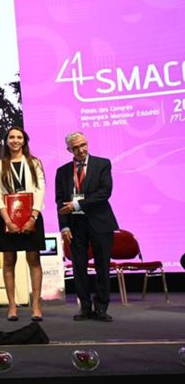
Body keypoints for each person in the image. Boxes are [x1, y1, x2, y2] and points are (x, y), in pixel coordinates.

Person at [55, 131, 118, 322]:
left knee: (102, 266)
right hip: (75, 226)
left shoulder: (102, 164)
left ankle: (101, 308)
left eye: (83, 145)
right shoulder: (62, 171)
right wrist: (64, 227)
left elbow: (104, 193)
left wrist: (77, 205)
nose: (81, 150)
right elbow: (60, 201)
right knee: (79, 268)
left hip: (100, 222)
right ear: (69, 150)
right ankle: (84, 307)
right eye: (76, 147)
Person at [0, 127, 46, 322]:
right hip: (8, 217)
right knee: (8, 262)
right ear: (6, 141)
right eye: (12, 137)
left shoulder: (34, 162)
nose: (15, 140)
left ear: (24, 141)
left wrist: (33, 217)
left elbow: (40, 189)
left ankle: (36, 305)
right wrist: (8, 220)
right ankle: (12, 306)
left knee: (34, 260)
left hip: (32, 217)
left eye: (19, 137)